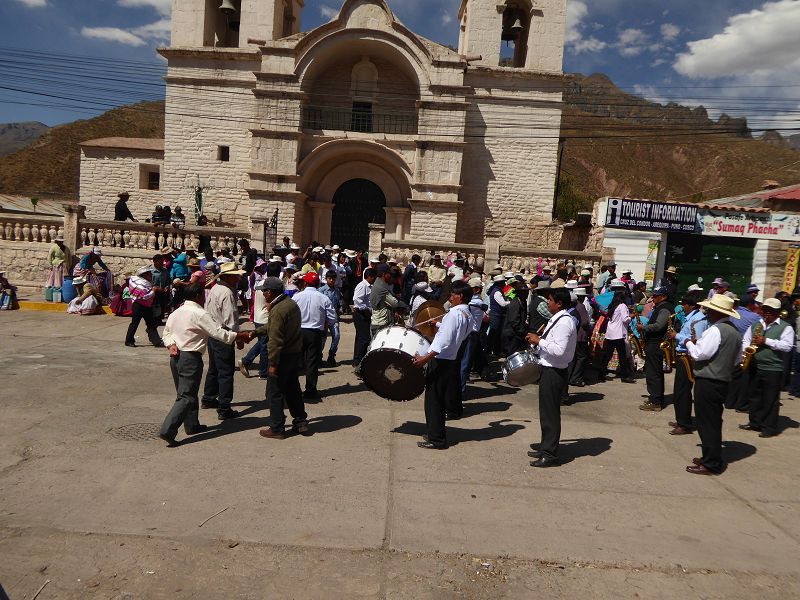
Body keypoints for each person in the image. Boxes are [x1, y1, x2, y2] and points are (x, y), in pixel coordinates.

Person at [158, 283, 251, 446]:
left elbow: (166, 333)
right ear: (198, 296)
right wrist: (239, 336)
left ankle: (192, 425)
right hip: (190, 357)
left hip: (176, 357)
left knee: (187, 393)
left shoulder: (177, 312)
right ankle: (168, 430)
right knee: (186, 396)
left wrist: (170, 344)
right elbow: (219, 333)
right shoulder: (200, 313)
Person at [684, 294, 742, 475]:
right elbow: (737, 359)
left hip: (708, 381)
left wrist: (688, 343)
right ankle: (710, 457)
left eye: (710, 310)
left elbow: (700, 353)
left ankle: (711, 463)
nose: (707, 313)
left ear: (718, 312)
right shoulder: (735, 332)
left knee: (707, 423)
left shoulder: (715, 330)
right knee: (713, 421)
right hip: (722, 381)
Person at [412, 280, 473, 449]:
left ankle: (436, 438)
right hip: (451, 360)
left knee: (434, 401)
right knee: (439, 398)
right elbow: (457, 332)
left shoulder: (453, 314)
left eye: (453, 295)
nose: (450, 298)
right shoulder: (467, 313)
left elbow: (444, 341)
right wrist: (439, 324)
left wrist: (425, 358)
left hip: (440, 360)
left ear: (460, 296)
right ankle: (435, 433)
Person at [250, 277, 310, 439]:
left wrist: (273, 363)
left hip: (282, 357)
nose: (263, 294)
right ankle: (301, 422)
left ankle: (277, 428)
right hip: (294, 355)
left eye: (264, 291)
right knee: (293, 390)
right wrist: (254, 333)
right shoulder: (290, 304)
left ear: (270, 292)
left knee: (275, 393)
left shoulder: (277, 310)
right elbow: (274, 327)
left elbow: (275, 340)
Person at [525, 288, 577, 467]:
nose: (547, 302)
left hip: (555, 372)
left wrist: (539, 341)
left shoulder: (564, 322)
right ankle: (545, 447)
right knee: (546, 412)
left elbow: (559, 350)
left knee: (550, 414)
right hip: (549, 370)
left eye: (550, 300)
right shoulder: (558, 319)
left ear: (559, 303)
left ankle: (550, 454)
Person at [739, 298, 794, 438]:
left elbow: (787, 346)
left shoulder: (786, 327)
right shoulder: (756, 325)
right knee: (754, 396)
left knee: (770, 399)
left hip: (773, 368)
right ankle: (755, 422)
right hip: (755, 365)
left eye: (770, 311)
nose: (767, 313)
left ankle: (769, 427)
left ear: (777, 312)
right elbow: (745, 340)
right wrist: (747, 348)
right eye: (765, 310)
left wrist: (766, 341)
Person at [201, 261, 247, 420]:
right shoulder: (227, 293)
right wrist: (238, 337)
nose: (238, 279)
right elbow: (231, 319)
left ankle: (208, 398)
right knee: (226, 371)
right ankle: (224, 407)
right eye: (235, 276)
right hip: (224, 334)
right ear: (227, 277)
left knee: (214, 367)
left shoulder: (216, 288)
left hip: (213, 332)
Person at [666, 293, 708, 435]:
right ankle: (681, 419)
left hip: (688, 358)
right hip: (682, 356)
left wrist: (677, 336)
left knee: (683, 391)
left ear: (691, 306)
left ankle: (684, 424)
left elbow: (697, 341)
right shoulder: (691, 318)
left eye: (684, 304)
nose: (682, 307)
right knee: (679, 391)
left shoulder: (698, 320)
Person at [292, 271, 336, 400]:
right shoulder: (323, 298)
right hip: (315, 333)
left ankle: (293, 390)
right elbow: (333, 318)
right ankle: (310, 391)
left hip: (299, 332)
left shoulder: (297, 297)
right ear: (318, 284)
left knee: (295, 362)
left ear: (305, 283)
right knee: (312, 362)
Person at [637, 286, 673, 411]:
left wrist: (643, 327)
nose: (653, 298)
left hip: (656, 343)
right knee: (653, 372)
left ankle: (656, 401)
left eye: (656, 296)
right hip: (653, 343)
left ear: (664, 297)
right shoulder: (661, 307)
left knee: (654, 373)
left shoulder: (664, 309)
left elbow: (658, 326)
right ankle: (655, 398)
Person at [598, 290, 636, 384]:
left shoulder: (612, 306)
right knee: (622, 356)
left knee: (607, 355)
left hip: (610, 333)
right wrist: (631, 316)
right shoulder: (622, 306)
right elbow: (625, 319)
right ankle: (624, 376)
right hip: (618, 334)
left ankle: (601, 374)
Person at [461, 277, 488, 396]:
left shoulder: (476, 303)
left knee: (464, 362)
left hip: (471, 335)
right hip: (468, 334)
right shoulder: (472, 302)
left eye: (470, 289)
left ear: (477, 290)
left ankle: (460, 390)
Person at [125, 266, 164, 348]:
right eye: (149, 273)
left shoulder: (144, 282)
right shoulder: (141, 284)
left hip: (147, 306)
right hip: (138, 306)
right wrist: (153, 291)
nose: (151, 275)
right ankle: (129, 341)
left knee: (151, 324)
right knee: (135, 323)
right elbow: (144, 297)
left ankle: (156, 341)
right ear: (144, 275)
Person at [370, 263, 406, 337]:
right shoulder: (381, 287)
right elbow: (395, 303)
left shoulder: (379, 283)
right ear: (384, 274)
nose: (390, 276)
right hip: (381, 324)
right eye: (389, 274)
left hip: (378, 322)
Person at [352, 267, 375, 377]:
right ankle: (358, 362)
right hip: (361, 314)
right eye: (373, 277)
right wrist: (366, 310)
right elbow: (357, 300)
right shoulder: (362, 286)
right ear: (369, 276)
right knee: (364, 338)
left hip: (365, 313)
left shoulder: (370, 286)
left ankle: (357, 360)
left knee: (361, 337)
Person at [567, 287, 592, 388]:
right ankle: (576, 378)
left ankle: (570, 376)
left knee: (574, 357)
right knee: (582, 357)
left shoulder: (571, 306)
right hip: (580, 336)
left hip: (574, 336)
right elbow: (585, 322)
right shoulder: (581, 306)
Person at [319, 270, 341, 367]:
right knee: (322, 338)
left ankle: (331, 356)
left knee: (336, 336)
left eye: (333, 279)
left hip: (334, 317)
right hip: (323, 318)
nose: (331, 280)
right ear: (326, 279)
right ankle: (319, 357)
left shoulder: (337, 290)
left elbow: (338, 303)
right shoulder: (321, 290)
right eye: (330, 278)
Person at [501, 279, 529, 357]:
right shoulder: (515, 303)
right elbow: (514, 321)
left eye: (527, 292)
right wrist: (524, 332)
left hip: (516, 334)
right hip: (512, 335)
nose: (527, 294)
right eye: (525, 292)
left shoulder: (522, 301)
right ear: (519, 293)